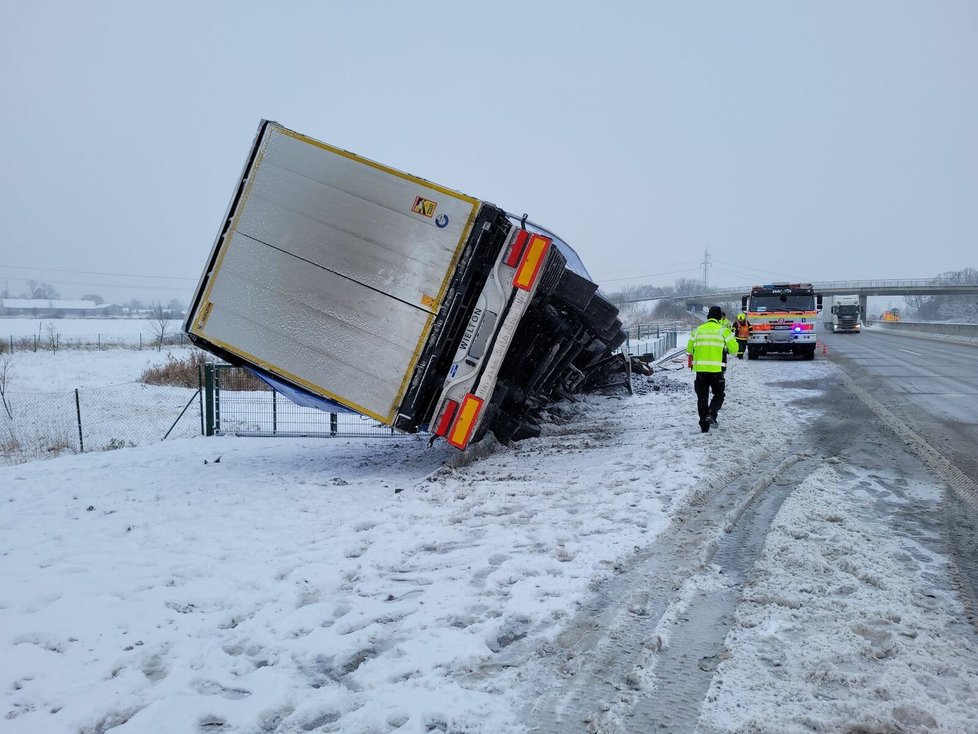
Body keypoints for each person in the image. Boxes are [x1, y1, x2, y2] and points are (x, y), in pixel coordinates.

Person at [687, 305, 740, 433]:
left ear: (708, 317)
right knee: (719, 394)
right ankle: (712, 414)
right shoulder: (723, 331)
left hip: (700, 371)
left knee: (702, 397)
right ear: (720, 318)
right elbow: (735, 350)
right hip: (717, 371)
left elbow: (689, 349)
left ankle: (704, 426)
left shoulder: (697, 330)